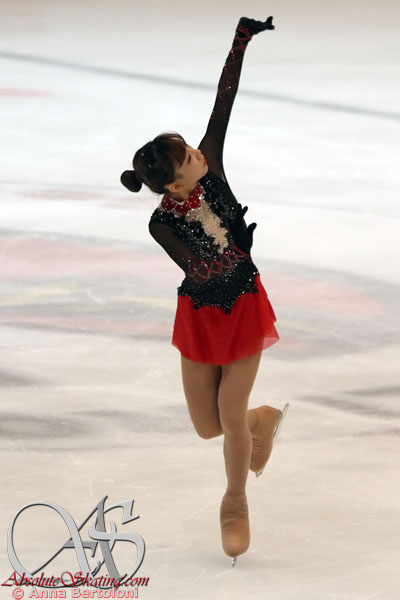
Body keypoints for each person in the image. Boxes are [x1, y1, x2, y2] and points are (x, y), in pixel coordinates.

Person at [121, 15, 289, 567]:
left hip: (243, 306)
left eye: (193, 147)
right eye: (189, 156)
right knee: (208, 426)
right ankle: (261, 420)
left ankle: (234, 501)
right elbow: (199, 268)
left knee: (229, 415)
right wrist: (223, 252)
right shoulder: (161, 224)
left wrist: (241, 40)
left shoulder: (211, 167)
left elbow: (224, 101)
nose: (199, 152)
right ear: (174, 184)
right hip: (200, 314)